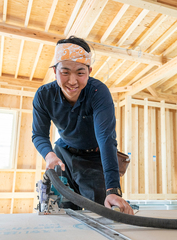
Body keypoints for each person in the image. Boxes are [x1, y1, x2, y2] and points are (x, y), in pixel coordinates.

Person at [32, 36, 133, 215]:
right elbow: (39, 134)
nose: (72, 81)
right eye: (65, 72)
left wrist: (113, 190)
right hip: (62, 155)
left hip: (93, 158)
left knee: (103, 212)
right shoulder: (44, 95)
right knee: (62, 211)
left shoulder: (98, 92)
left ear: (89, 71)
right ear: (55, 71)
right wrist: (49, 155)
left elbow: (106, 139)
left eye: (80, 73)